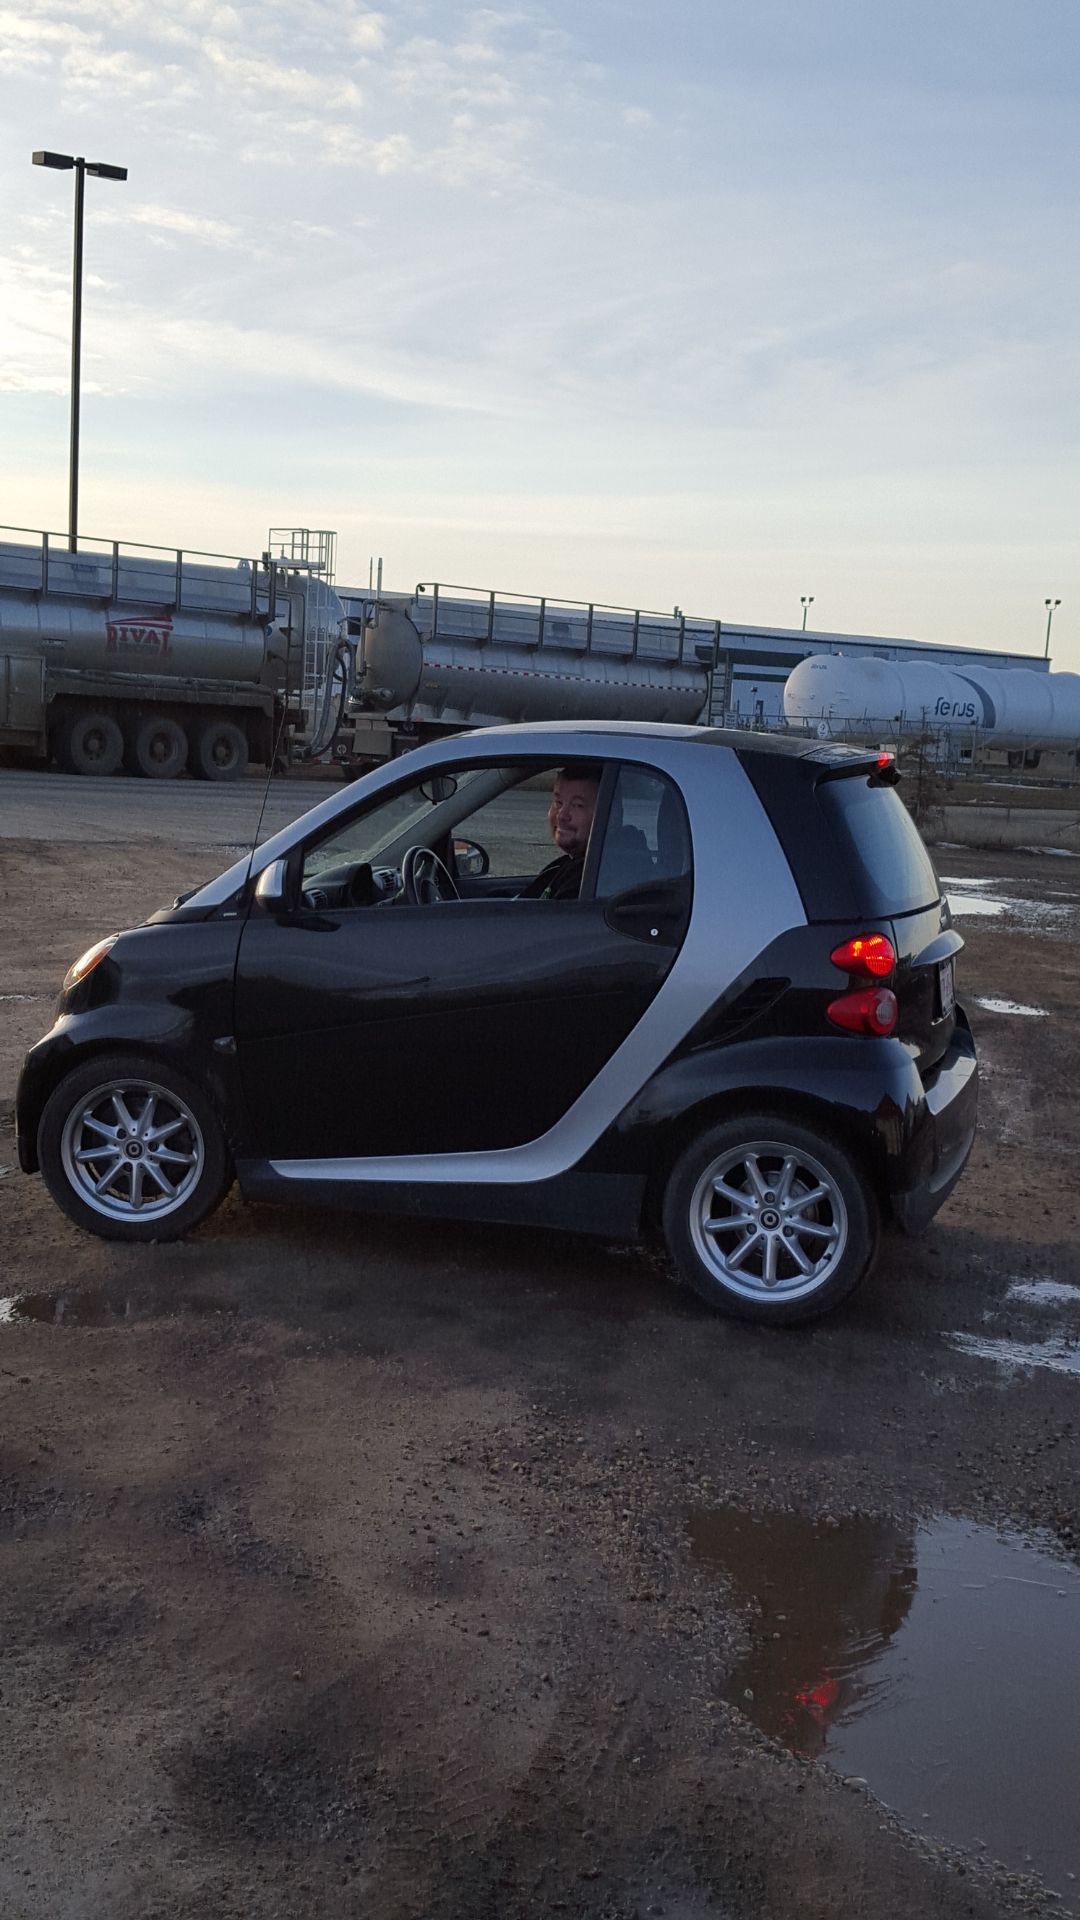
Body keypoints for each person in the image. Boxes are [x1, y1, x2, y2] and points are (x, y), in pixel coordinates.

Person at [519, 763, 600, 900]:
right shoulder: (574, 864)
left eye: (577, 805)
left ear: (609, 813)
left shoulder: (592, 877)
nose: (562, 816)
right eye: (558, 802)